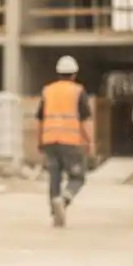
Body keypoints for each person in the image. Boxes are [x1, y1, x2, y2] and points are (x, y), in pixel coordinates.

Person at [36, 55, 95, 227]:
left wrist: (40, 141)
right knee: (78, 177)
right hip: (70, 142)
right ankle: (65, 199)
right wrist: (89, 143)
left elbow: (39, 120)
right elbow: (85, 120)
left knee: (54, 177)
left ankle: (55, 212)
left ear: (58, 73)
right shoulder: (78, 91)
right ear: (74, 74)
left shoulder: (47, 91)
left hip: (49, 142)